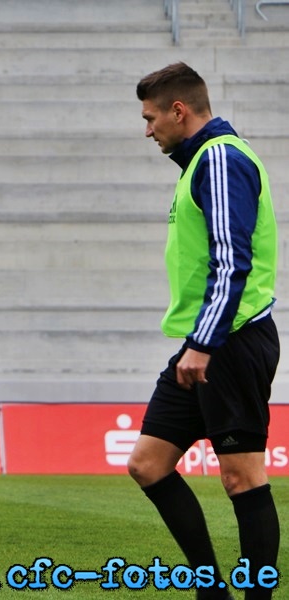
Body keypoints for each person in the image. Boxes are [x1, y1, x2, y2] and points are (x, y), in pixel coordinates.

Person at [127, 63, 280, 600]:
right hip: (209, 341)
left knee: (242, 477)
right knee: (147, 464)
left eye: (151, 118)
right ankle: (210, 591)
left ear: (178, 110)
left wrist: (203, 344)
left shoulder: (218, 158)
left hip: (228, 343)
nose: (148, 131)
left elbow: (231, 260)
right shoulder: (203, 162)